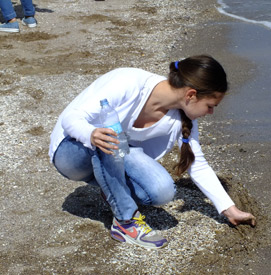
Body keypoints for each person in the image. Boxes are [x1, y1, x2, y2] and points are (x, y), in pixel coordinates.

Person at [49, 55, 256, 249]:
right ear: (191, 95)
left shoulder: (182, 118)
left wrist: (229, 209)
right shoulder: (128, 82)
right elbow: (70, 117)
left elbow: (197, 164)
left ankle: (113, 190)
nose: (211, 112)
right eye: (210, 106)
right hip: (70, 151)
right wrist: (90, 133)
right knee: (112, 135)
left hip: (114, 155)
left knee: (162, 190)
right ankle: (125, 222)